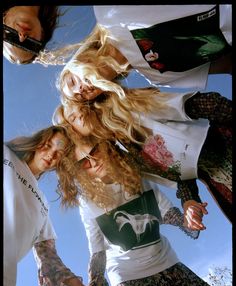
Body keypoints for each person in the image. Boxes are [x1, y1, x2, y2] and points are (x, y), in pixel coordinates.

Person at [56, 138, 232, 286]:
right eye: (84, 162)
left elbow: (166, 213)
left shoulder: (135, 174)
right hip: (128, 276)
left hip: (166, 261)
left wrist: (188, 218)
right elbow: (98, 250)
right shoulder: (88, 202)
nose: (93, 162)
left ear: (105, 145)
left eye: (94, 151)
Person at [52, 87, 232, 223]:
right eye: (71, 121)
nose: (80, 117)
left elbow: (202, 105)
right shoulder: (125, 152)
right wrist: (189, 201)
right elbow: (181, 168)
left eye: (78, 110)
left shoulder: (131, 106)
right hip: (220, 180)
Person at [3, 125, 110, 286]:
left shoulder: (43, 205)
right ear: (38, 140)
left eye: (59, 153)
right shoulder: (6, 155)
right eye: (48, 144)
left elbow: (49, 261)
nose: (51, 154)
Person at [56, 4, 231, 98]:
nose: (81, 90)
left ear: (78, 59)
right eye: (81, 97)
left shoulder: (109, 12)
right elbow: (227, 65)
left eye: (72, 81)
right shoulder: (158, 77)